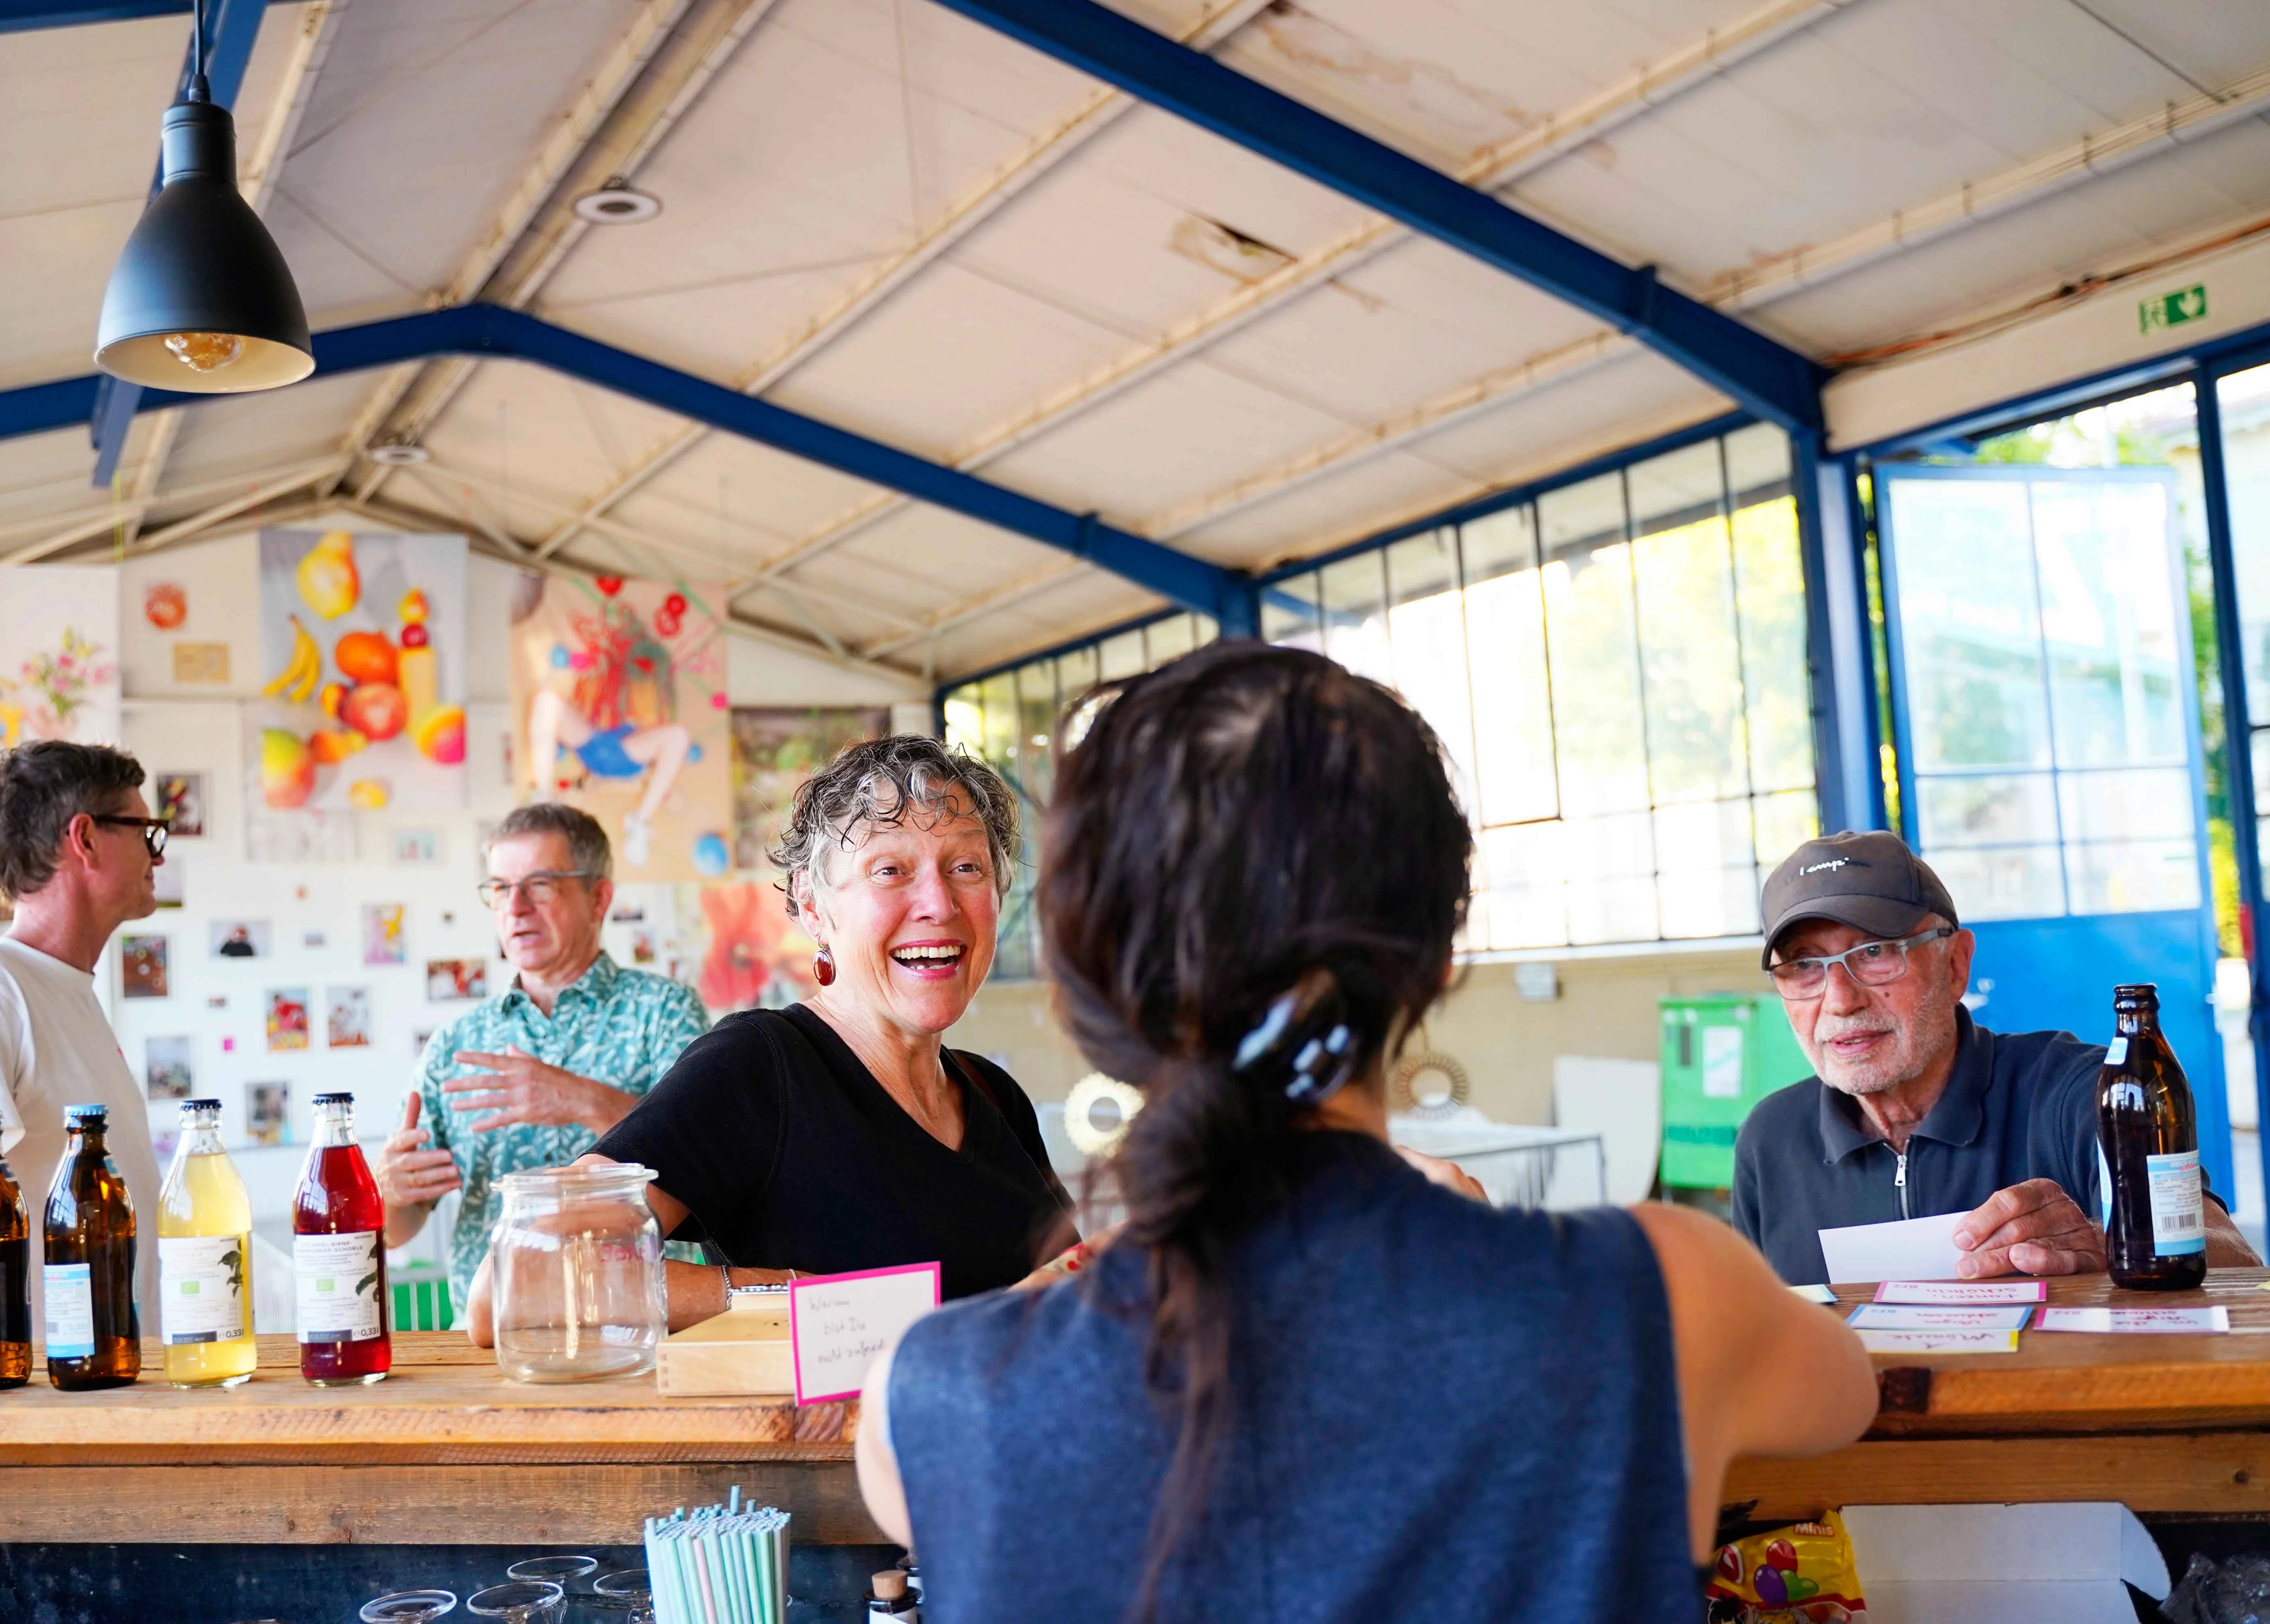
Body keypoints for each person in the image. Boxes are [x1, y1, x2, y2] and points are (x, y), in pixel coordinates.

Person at [854, 645, 1877, 1624]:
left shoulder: (929, 1398)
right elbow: (1848, 1396)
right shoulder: (1669, 1291)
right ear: (1433, 960)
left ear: (1083, 994)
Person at [465, 736, 1077, 1343]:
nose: (939, 904)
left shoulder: (994, 1095)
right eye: (889, 870)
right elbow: (517, 1281)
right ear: (813, 908)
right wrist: (798, 1297)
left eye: (966, 868)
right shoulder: (761, 1068)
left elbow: (1068, 1299)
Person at [1733, 830, 2260, 1285]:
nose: (1841, 1001)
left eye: (1875, 953)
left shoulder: (2078, 1095)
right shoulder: (1771, 1140)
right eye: (1804, 966)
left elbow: (2239, 1264)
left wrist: (2108, 1248)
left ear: (1957, 965)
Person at [376, 802, 706, 1311]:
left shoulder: (665, 1011)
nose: (516, 907)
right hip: (489, 1333)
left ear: (600, 898)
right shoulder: (456, 1042)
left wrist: (582, 1099)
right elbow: (400, 1228)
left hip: (638, 1325)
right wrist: (393, 1192)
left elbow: (706, 1160)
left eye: (541, 885)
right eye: (501, 888)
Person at [0, 741, 169, 1335]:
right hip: (40, 1402)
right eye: (145, 832)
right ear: (86, 838)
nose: (156, 856)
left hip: (112, 1386)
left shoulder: (71, 994)